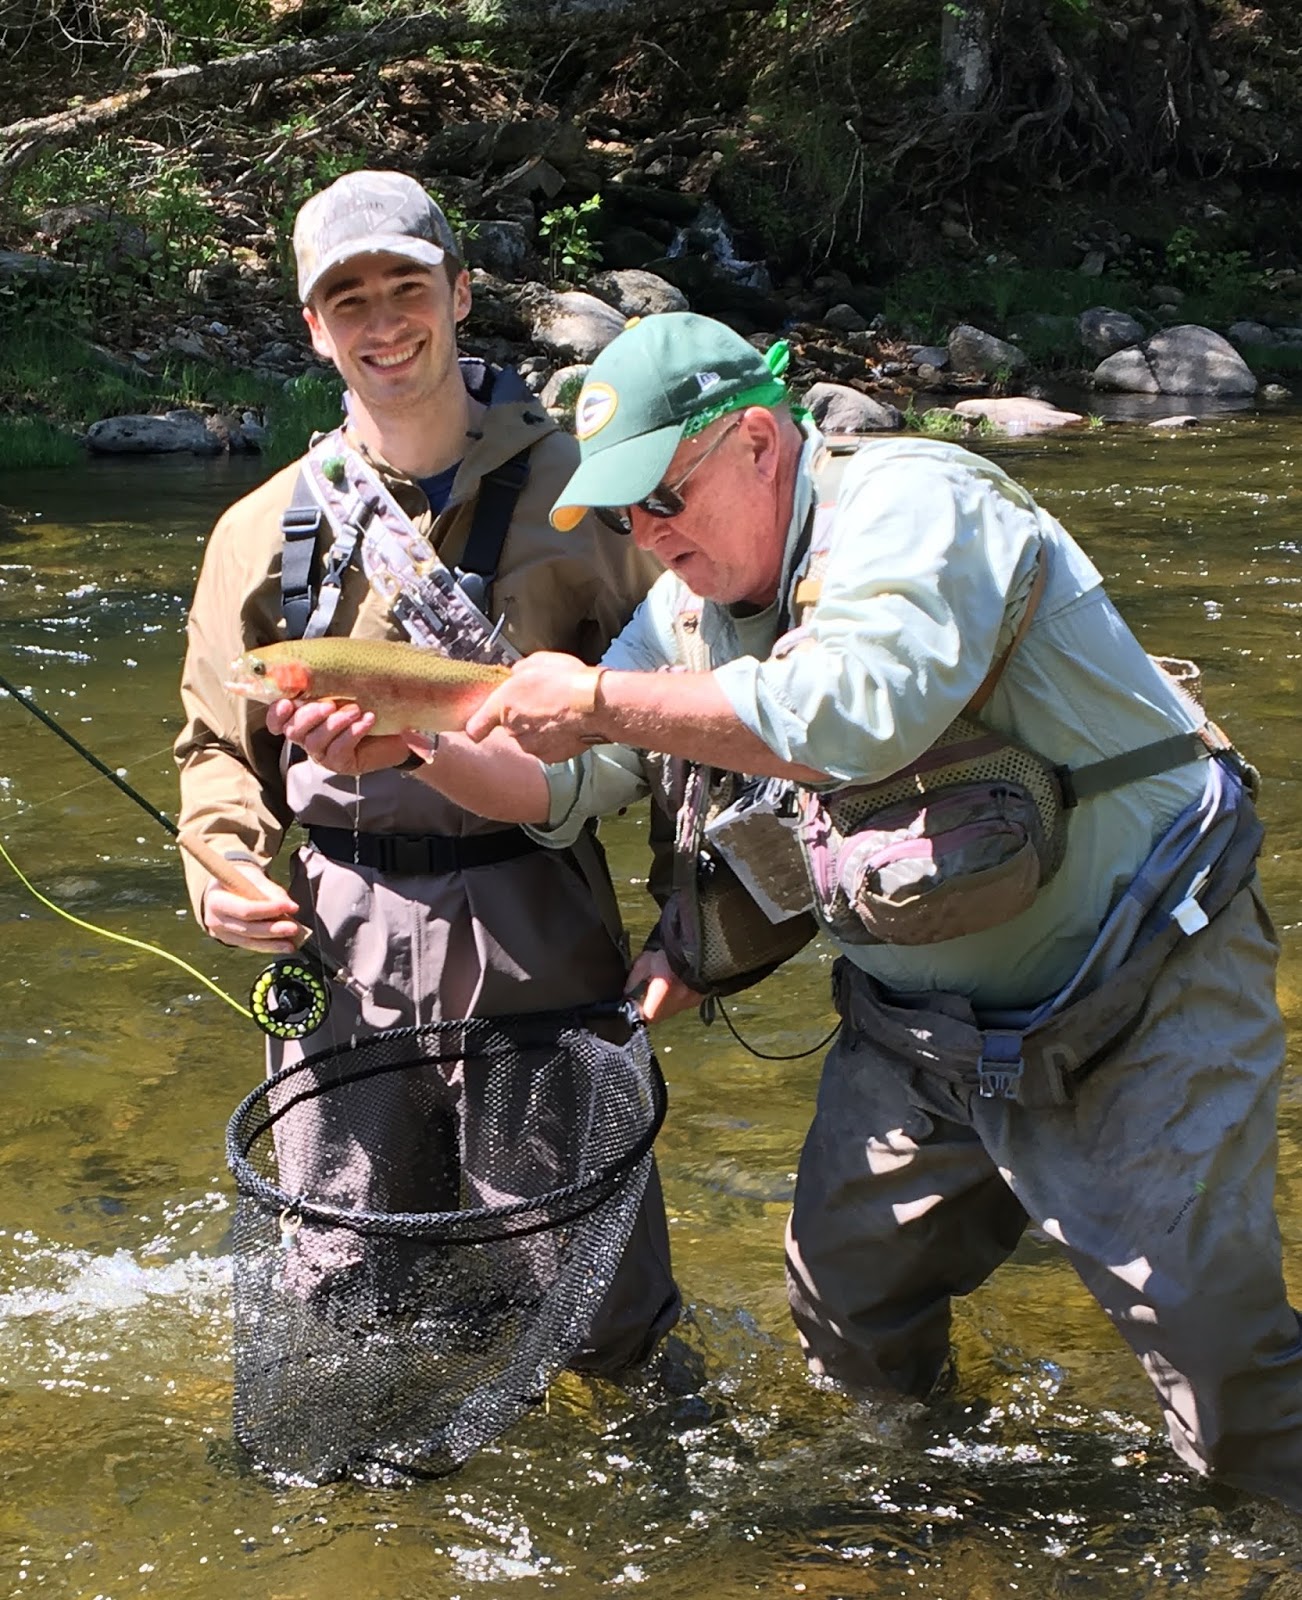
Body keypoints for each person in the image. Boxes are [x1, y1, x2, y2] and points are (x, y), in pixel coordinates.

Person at [277, 309, 1302, 1510]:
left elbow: (853, 710)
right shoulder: (688, 608)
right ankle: (935, 1526)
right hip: (919, 1028)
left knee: (1227, 1379)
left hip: (1140, 986)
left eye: (664, 496)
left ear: (758, 442)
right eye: (622, 518)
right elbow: (561, 790)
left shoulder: (921, 505)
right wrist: (419, 749)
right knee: (848, 1323)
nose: (649, 537)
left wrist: (603, 696)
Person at [173, 170, 679, 1376]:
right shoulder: (258, 529)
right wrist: (223, 867)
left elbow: (688, 731)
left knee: (596, 1309)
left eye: (408, 287)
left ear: (460, 293)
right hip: (340, 944)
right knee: (349, 1302)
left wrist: (699, 930)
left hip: (538, 923)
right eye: (349, 300)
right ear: (313, 325)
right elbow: (211, 751)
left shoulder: (590, 495)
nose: (383, 321)